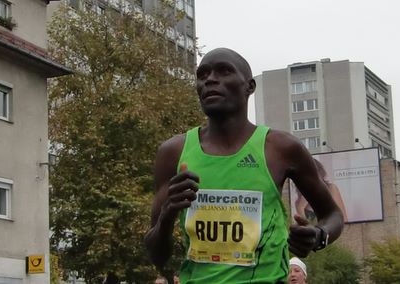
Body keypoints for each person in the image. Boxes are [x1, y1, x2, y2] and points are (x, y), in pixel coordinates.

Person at [144, 48, 344, 283]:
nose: (210, 80)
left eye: (224, 71)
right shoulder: (173, 152)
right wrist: (168, 214)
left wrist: (319, 236)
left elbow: (333, 216)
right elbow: (156, 256)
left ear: (249, 86)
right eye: (202, 74)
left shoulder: (280, 148)